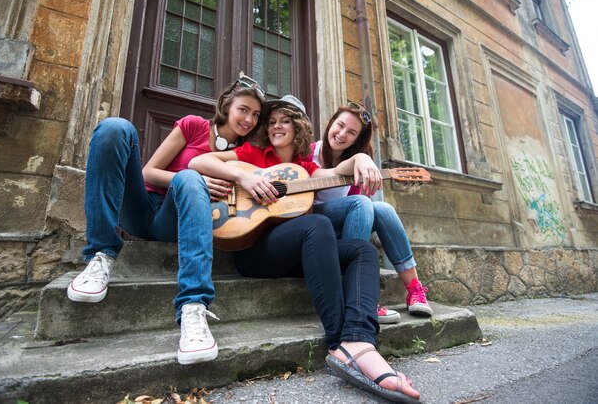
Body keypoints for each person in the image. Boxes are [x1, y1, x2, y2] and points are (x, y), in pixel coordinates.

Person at [189, 95, 421, 403]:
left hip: (295, 255)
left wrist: (362, 160)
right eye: (271, 122)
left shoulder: (305, 167)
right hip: (254, 251)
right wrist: (244, 175)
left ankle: (360, 338)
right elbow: (197, 162)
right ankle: (340, 341)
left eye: (284, 120)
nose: (276, 126)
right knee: (318, 225)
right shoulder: (254, 153)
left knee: (362, 251)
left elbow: (335, 173)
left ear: (296, 126)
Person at [66, 75, 265, 365]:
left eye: (256, 115)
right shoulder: (194, 125)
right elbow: (148, 173)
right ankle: (101, 254)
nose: (249, 119)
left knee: (189, 177)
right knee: (114, 128)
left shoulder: (244, 155)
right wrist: (200, 181)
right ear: (226, 106)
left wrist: (199, 182)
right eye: (243, 109)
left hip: (175, 222)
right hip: (141, 207)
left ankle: (193, 305)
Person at [306, 102, 433, 317]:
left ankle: (414, 290)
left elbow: (358, 215)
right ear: (330, 124)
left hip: (340, 231)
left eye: (351, 132)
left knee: (382, 208)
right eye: (340, 125)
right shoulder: (309, 151)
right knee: (362, 203)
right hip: (311, 223)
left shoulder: (358, 168)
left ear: (357, 139)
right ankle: (357, 293)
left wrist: (363, 163)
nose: (342, 134)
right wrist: (360, 159)